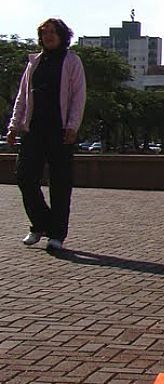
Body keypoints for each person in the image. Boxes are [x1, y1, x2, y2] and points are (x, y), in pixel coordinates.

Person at [6, 18, 86, 253]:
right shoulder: (35, 62)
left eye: (53, 32)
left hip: (60, 131)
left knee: (60, 185)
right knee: (24, 176)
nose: (48, 36)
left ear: (62, 35)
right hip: (34, 129)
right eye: (44, 32)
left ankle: (57, 234)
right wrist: (14, 126)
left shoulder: (72, 61)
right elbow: (22, 97)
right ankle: (41, 224)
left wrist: (72, 126)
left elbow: (78, 96)